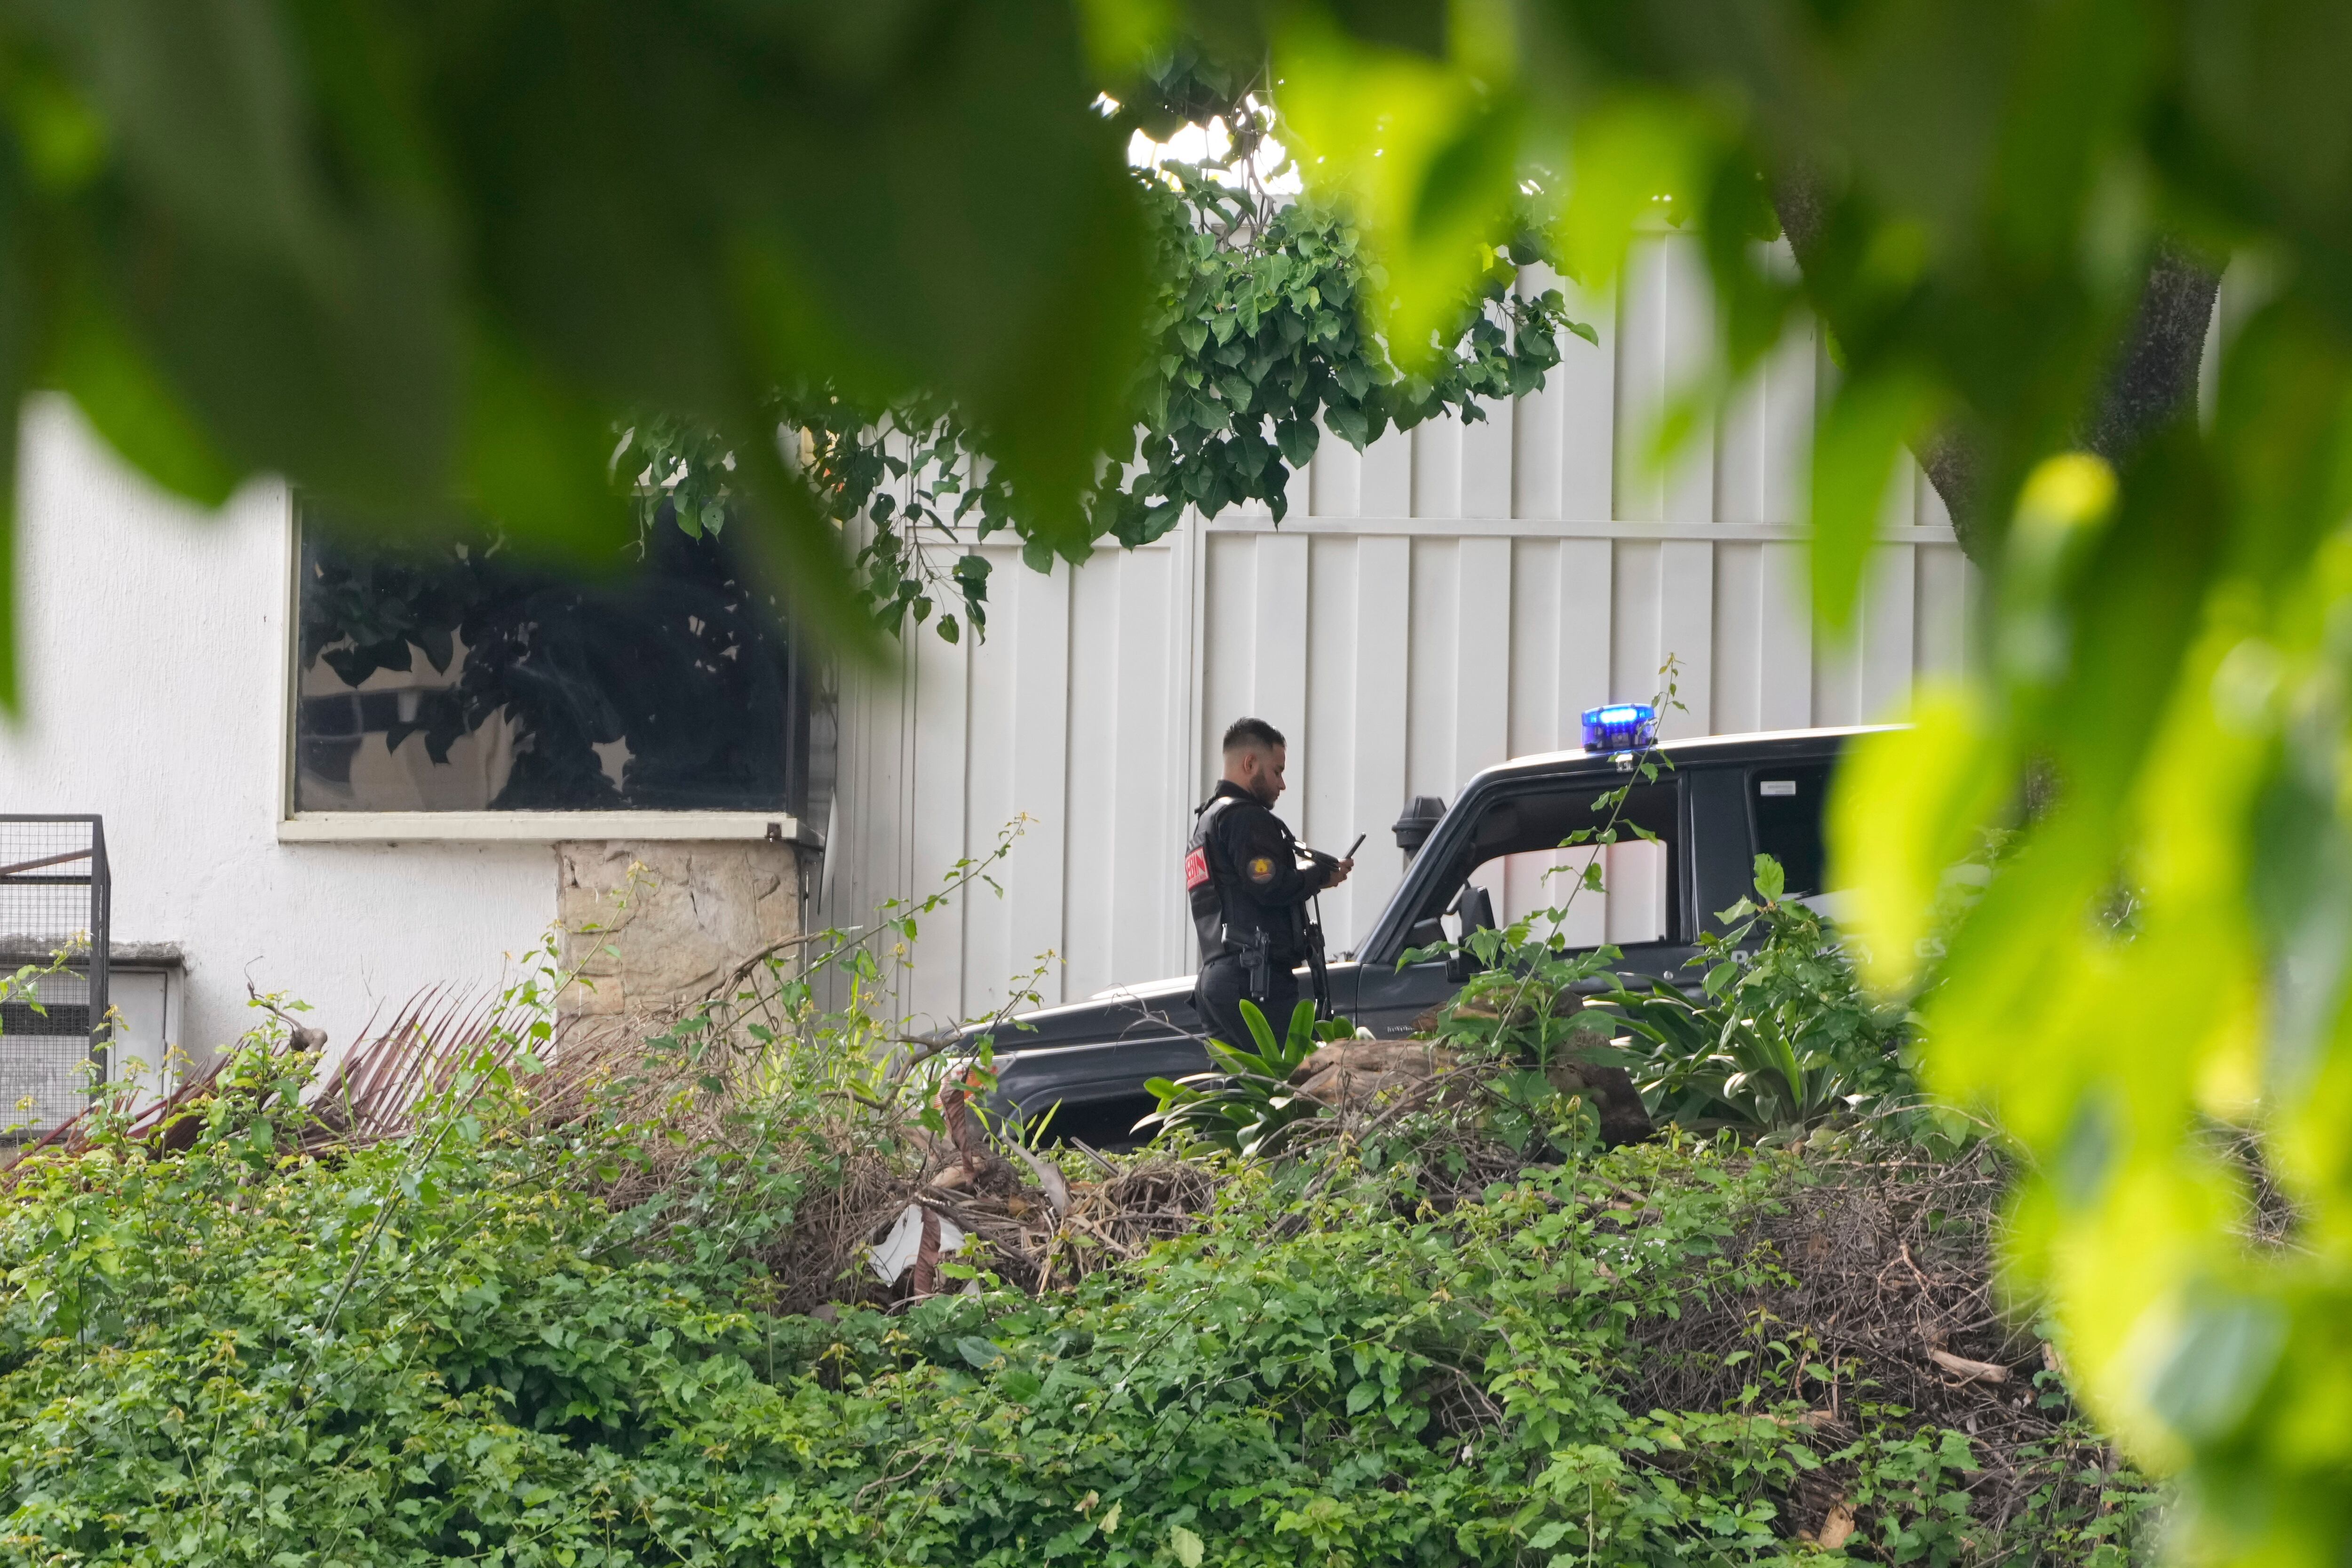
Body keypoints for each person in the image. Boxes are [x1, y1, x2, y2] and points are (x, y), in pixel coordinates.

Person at [1186, 717, 1353, 1051]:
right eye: (1277, 771)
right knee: (1291, 1083)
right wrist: (1320, 875)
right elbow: (1268, 883)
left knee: (1237, 1091)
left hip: (1218, 981)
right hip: (1254, 982)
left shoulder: (1207, 822)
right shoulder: (1245, 817)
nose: (1283, 784)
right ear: (1250, 763)